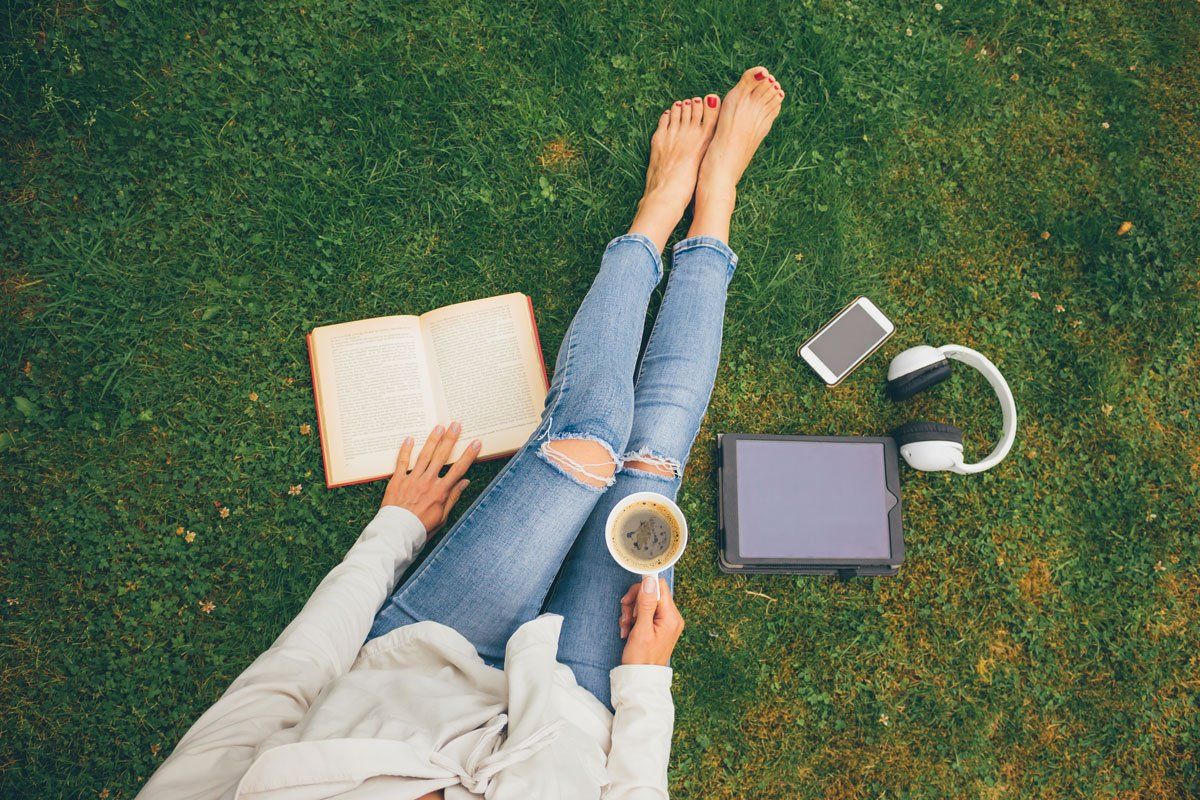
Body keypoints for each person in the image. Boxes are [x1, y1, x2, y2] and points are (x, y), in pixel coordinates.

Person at [138, 66, 783, 800]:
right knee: (650, 466)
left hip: (433, 654)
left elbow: (281, 688)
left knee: (590, 442)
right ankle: (717, 196)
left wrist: (393, 529)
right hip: (570, 715)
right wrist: (645, 684)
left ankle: (658, 212)